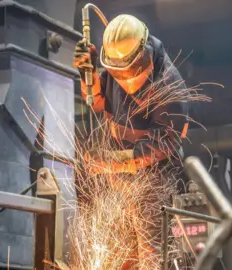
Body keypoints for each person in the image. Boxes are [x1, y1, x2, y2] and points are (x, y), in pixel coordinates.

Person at [74, 14, 189, 269]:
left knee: (151, 255)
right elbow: (98, 101)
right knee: (115, 247)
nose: (125, 79)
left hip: (155, 178)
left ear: (145, 52)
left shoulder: (169, 85)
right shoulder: (115, 68)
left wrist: (115, 162)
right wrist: (88, 75)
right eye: (118, 72)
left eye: (130, 72)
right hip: (119, 178)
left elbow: (166, 142)